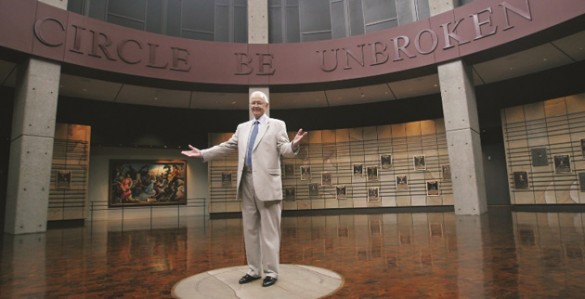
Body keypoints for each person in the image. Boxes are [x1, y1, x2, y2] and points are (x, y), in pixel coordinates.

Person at [181, 91, 307, 287]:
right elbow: (227, 146)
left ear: (266, 106)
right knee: (250, 230)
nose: (255, 106)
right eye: (252, 103)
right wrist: (203, 153)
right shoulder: (242, 128)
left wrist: (293, 145)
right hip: (245, 182)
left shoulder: (276, 125)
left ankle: (271, 272)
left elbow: (284, 149)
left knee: (270, 231)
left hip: (267, 184)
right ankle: (254, 270)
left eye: (259, 103)